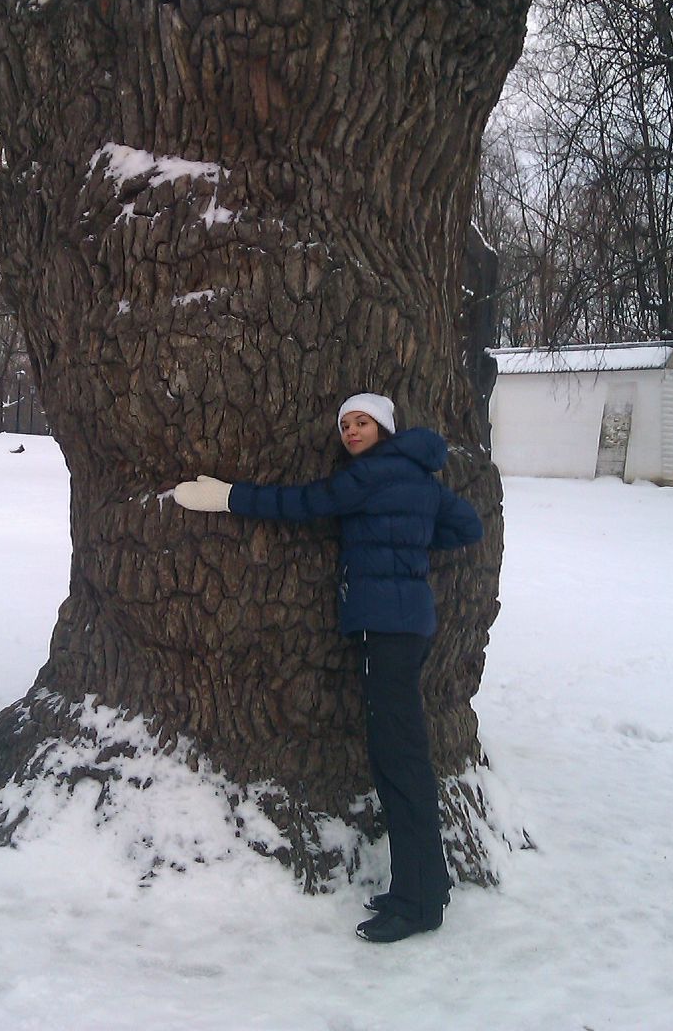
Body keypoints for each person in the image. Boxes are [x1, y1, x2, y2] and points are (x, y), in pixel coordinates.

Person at [173, 393, 484, 944]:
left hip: (385, 631)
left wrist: (227, 497)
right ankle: (425, 886)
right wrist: (406, 539)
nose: (351, 432)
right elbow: (466, 527)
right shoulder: (419, 477)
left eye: (362, 422)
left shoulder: (369, 475)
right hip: (407, 627)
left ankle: (418, 903)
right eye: (345, 425)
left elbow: (303, 503)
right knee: (400, 756)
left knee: (399, 759)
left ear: (384, 428)